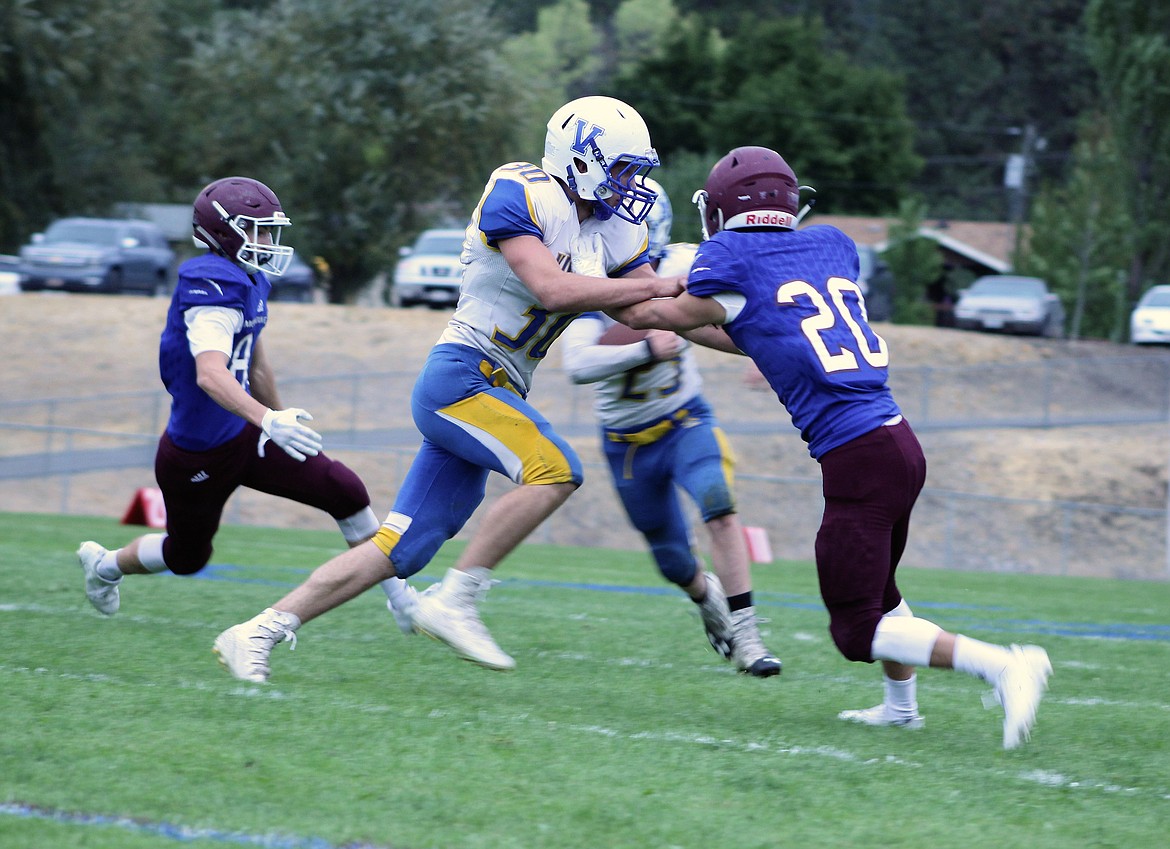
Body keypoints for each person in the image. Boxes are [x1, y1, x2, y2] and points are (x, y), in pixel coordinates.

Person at [213, 96, 685, 681]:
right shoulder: (520, 189)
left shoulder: (608, 228)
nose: (631, 184)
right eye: (622, 168)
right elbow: (555, 290)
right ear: (582, 158)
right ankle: (457, 600)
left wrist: (749, 331)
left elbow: (652, 310)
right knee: (556, 470)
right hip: (462, 377)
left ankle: (255, 631)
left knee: (401, 549)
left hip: (496, 389)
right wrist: (666, 286)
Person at [612, 146, 1052, 749]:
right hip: (898, 443)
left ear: (722, 210)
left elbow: (652, 315)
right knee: (882, 591)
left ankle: (1003, 664)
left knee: (854, 629)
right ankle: (901, 709)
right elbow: (745, 331)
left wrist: (601, 269)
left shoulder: (729, 260)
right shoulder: (829, 246)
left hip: (859, 459)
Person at [76, 177, 380, 616]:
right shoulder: (211, 284)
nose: (266, 240)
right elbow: (211, 375)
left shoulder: (249, 280)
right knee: (187, 557)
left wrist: (278, 418)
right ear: (223, 232)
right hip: (197, 453)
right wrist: (268, 420)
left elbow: (254, 364)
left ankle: (403, 599)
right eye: (255, 229)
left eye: (268, 229)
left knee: (345, 490)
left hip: (245, 434)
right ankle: (105, 565)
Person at [559, 184, 781, 677]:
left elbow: (761, 292)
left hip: (685, 420)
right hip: (627, 446)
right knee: (673, 562)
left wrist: (772, 348)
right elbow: (576, 364)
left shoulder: (685, 262)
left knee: (718, 503)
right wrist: (644, 349)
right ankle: (708, 600)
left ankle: (748, 637)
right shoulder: (587, 278)